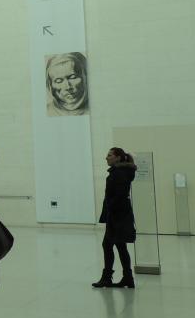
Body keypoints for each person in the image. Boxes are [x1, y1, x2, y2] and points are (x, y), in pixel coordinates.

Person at [92, 147, 138, 289]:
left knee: (108, 245)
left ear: (118, 158)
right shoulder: (122, 172)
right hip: (120, 214)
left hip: (117, 215)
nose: (107, 158)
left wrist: (110, 207)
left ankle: (107, 278)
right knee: (120, 245)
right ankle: (127, 278)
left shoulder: (118, 173)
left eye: (110, 155)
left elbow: (118, 195)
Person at [45, 52, 88, 116]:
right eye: (59, 81)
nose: (68, 87)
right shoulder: (47, 112)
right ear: (50, 85)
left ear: (84, 77)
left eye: (73, 77)